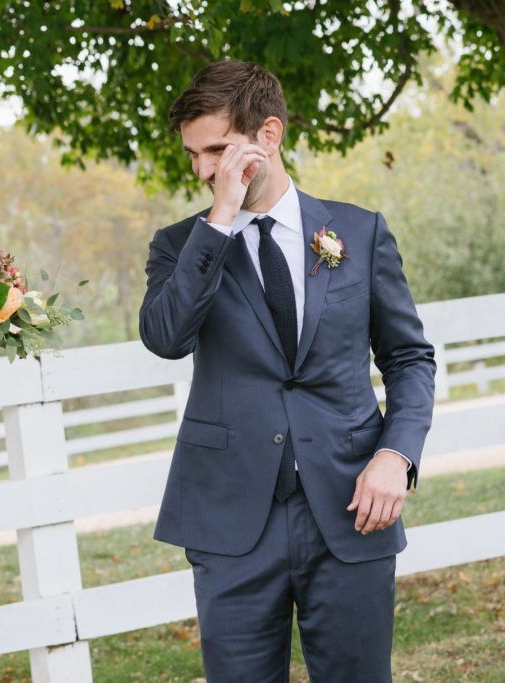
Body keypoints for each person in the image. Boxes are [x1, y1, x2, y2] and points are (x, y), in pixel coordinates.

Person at [139, 60, 436, 682]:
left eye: (216, 150)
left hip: (352, 508)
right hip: (230, 521)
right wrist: (218, 220)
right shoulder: (180, 245)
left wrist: (397, 456)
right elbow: (165, 338)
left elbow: (409, 358)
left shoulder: (360, 231)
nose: (202, 170)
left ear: (267, 136)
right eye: (193, 155)